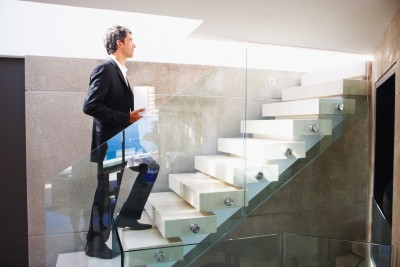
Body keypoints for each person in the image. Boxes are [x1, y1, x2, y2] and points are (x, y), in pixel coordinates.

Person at [83, 25, 158, 259]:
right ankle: (94, 244)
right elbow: (90, 106)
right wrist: (127, 117)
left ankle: (127, 216)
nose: (134, 44)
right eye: (131, 40)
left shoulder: (121, 71)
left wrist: (134, 119)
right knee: (106, 193)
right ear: (120, 43)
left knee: (151, 168)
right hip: (111, 145)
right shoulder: (105, 69)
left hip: (125, 141)